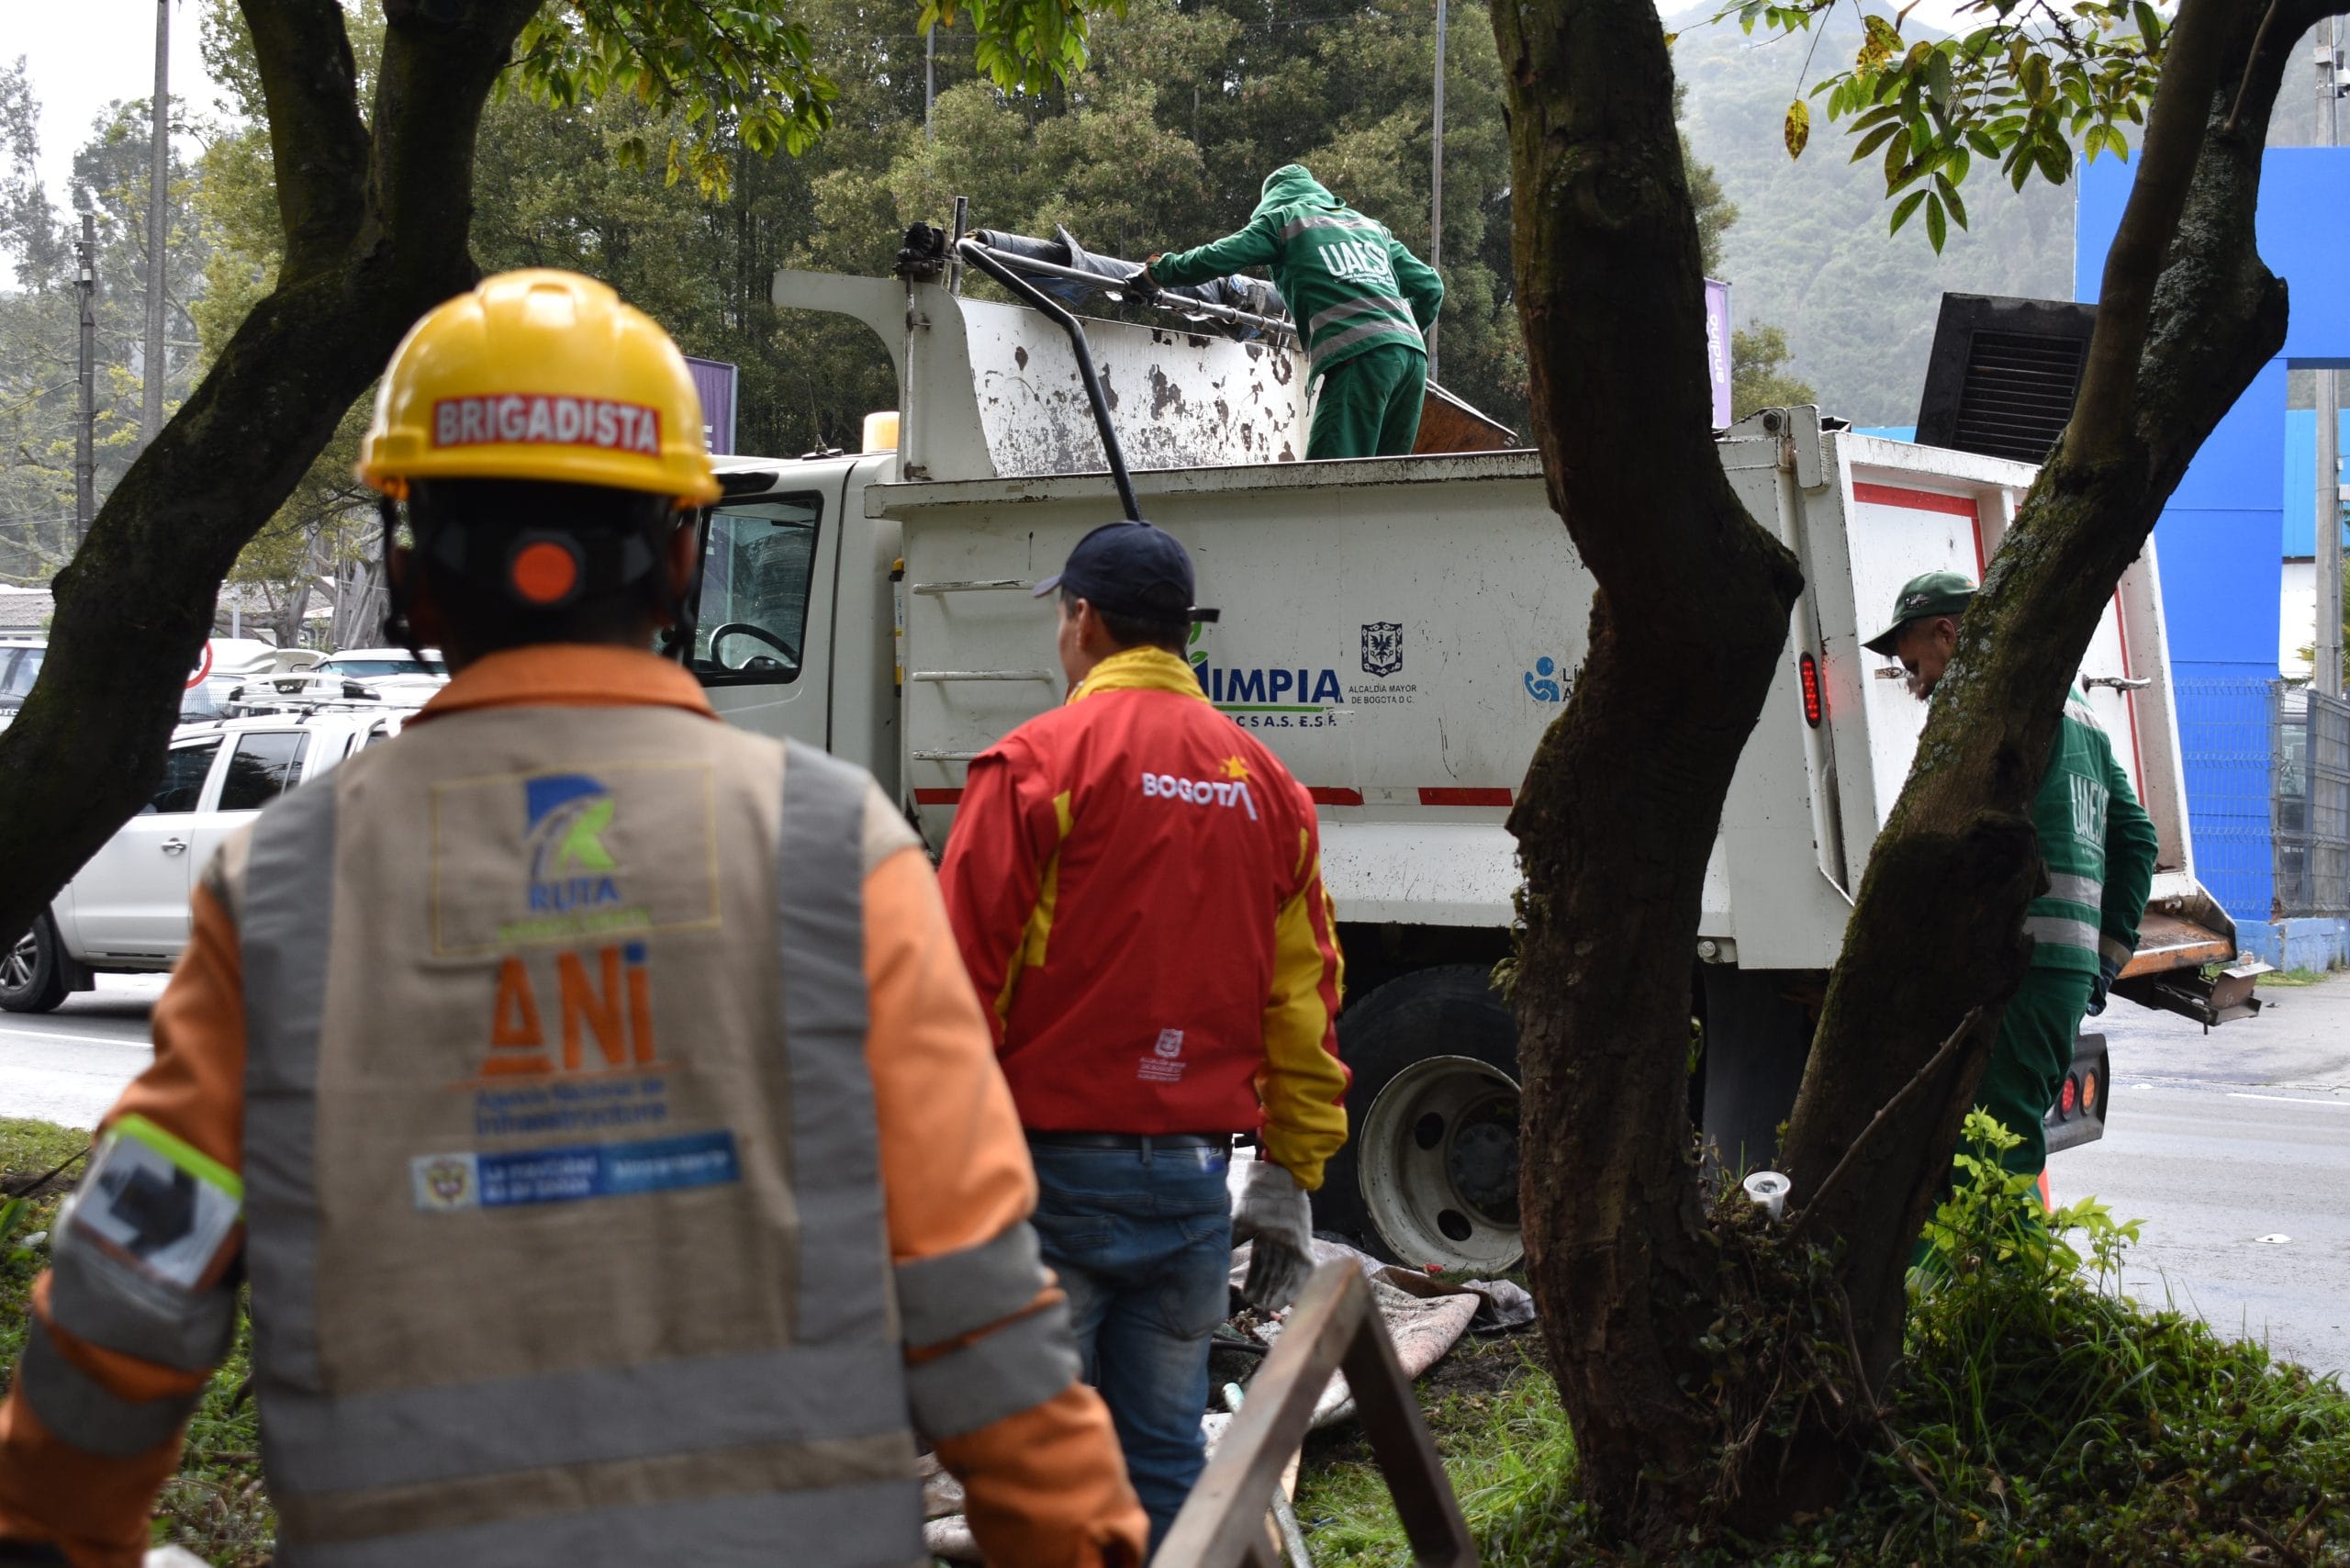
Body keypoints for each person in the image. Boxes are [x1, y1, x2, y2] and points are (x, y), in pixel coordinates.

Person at [0, 269, 1146, 1568]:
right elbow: (974, 1287)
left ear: (407, 561)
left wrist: (49, 1534)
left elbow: (134, 1288)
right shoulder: (836, 855)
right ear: (683, 554)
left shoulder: (284, 892)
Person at [936, 520, 1348, 1553]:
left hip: (1047, 1181)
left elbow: (952, 993)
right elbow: (1302, 999)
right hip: (1189, 1189)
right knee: (1164, 1456)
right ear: (1180, 634)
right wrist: (1290, 1172)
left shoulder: (1033, 765)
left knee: (1035, 1466)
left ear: (1083, 620)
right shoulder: (1269, 787)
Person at [1865, 569, 2160, 1182]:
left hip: (2012, 970)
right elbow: (2136, 840)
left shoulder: (1990, 709)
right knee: (1994, 1147)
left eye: (1911, 662)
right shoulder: (2080, 711)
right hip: (2060, 976)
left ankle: (2007, 1279)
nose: (1910, 679)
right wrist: (2102, 960)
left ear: (1947, 634)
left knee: (1991, 1165)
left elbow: (1949, 844)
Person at [1142, 165, 1443, 460]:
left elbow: (1216, 258)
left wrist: (1157, 273)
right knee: (1389, 485)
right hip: (1412, 360)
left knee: (1331, 480)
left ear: (1272, 199)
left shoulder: (1284, 222)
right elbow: (1431, 287)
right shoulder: (1371, 227)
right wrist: (1395, 336)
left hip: (1360, 358)